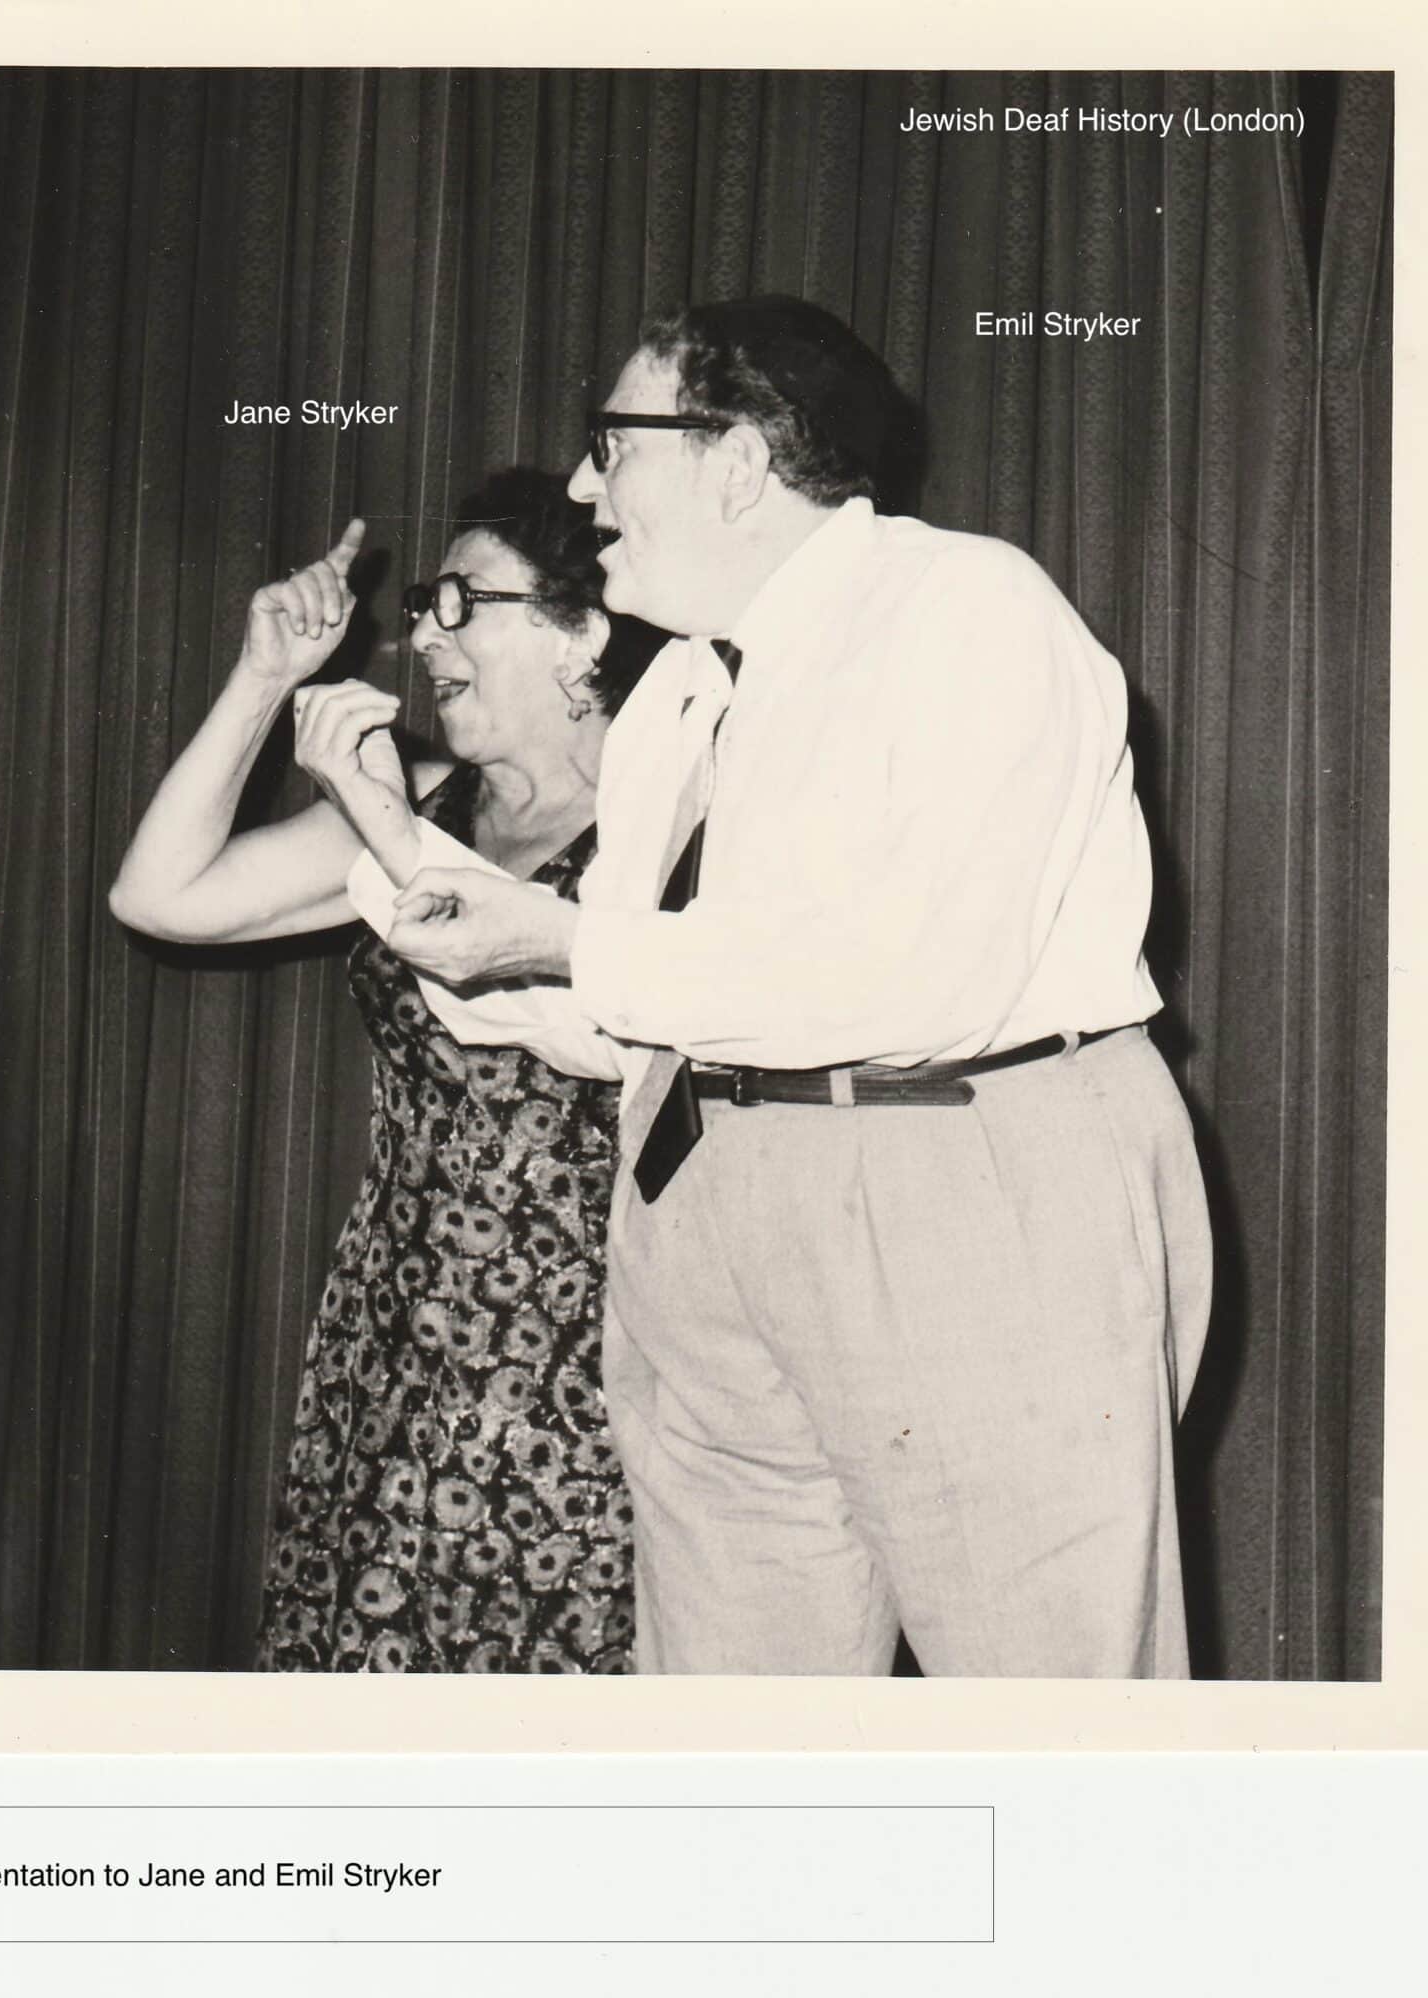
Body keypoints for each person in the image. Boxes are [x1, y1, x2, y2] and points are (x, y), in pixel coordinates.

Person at [366, 297, 1211, 1676]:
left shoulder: (967, 607)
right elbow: (651, 1005)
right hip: (704, 1203)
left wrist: (560, 941)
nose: (581, 486)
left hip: (955, 1171)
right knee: (728, 1736)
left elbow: (915, 977)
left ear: (738, 462)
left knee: (1046, 1711)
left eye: (610, 444)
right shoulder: (678, 696)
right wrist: (487, 942)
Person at [111, 472, 659, 1671]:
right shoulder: (424, 801)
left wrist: (378, 817)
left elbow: (585, 1015)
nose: (423, 637)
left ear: (583, 634)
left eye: (465, 604)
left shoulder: (664, 827)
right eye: (424, 604)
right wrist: (262, 678)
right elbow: (159, 896)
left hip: (581, 1347)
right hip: (397, 1321)